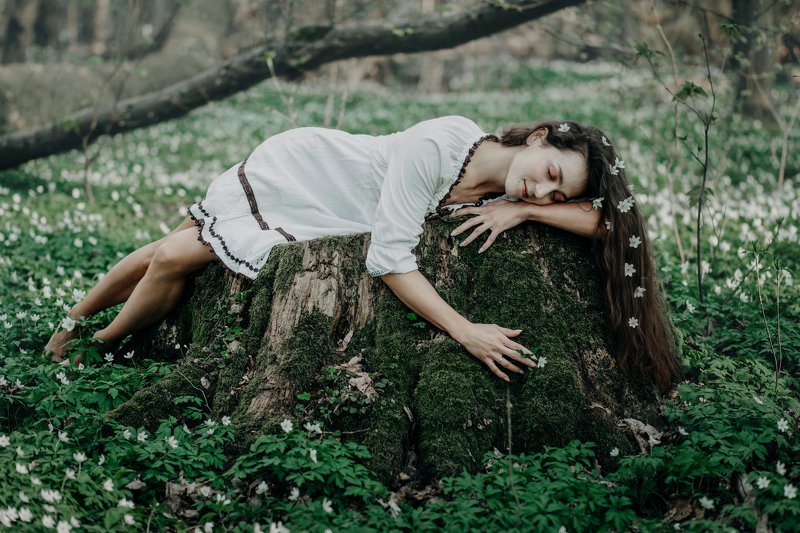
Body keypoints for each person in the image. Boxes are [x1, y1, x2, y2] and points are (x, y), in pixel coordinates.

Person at [45, 115, 679, 393]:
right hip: (310, 174)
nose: (541, 185)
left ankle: (83, 339)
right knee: (176, 254)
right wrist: (467, 333)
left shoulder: (501, 187)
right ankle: (87, 341)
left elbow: (607, 223)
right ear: (538, 137)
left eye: (555, 189)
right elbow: (389, 259)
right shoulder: (439, 146)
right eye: (545, 172)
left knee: (172, 250)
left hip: (332, 210)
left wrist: (526, 208)